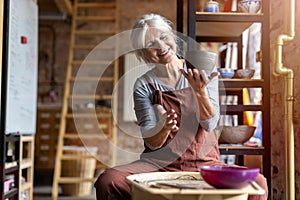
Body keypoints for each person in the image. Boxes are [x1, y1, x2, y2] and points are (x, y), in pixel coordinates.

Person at [94, 13, 268, 200]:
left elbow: (210, 125)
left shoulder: (201, 69)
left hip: (205, 163)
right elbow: (152, 142)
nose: (161, 47)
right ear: (143, 54)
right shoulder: (144, 85)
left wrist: (200, 92)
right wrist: (163, 126)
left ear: (172, 36)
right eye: (151, 45)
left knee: (258, 183)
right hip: (158, 165)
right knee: (108, 181)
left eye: (163, 37)